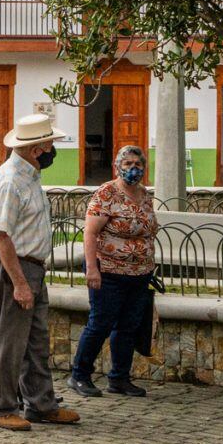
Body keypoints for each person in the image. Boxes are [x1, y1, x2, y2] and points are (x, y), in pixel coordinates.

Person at [0, 112, 80, 433]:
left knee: (35, 340)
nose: (53, 149)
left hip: (30, 268)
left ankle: (41, 403)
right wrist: (20, 283)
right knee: (10, 341)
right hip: (15, 268)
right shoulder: (10, 180)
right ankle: (1, 407)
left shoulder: (28, 177)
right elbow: (1, 236)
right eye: (50, 143)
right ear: (37, 149)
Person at [70, 142, 157, 399]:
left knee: (129, 326)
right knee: (100, 324)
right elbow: (90, 232)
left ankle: (119, 378)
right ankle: (80, 375)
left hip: (139, 274)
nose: (133, 169)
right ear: (117, 166)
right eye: (128, 164)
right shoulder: (106, 193)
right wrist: (92, 269)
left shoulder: (144, 195)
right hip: (108, 272)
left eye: (138, 164)